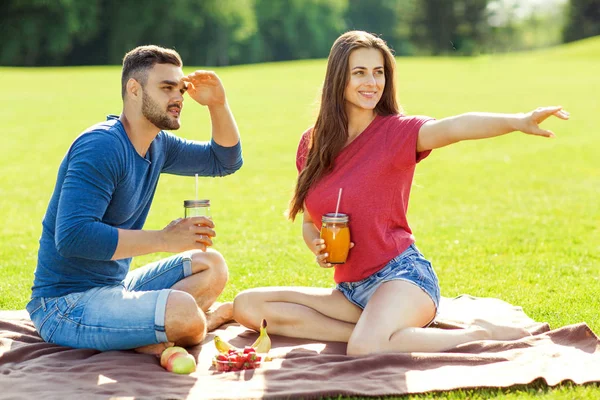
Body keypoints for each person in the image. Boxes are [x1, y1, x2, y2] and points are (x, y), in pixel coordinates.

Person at [233, 31, 569, 355]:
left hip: (402, 278)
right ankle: (379, 332)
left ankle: (477, 335)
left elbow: (454, 127)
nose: (372, 82)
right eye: (360, 72)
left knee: (365, 349)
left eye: (378, 72)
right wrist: (316, 246)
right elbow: (311, 220)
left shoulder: (397, 132)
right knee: (247, 305)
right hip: (350, 292)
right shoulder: (312, 143)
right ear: (338, 79)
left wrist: (517, 120)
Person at [26, 45, 243, 354]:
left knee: (211, 264)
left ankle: (152, 334)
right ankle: (195, 324)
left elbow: (224, 161)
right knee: (182, 311)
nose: (178, 98)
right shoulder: (101, 146)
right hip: (64, 305)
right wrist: (165, 240)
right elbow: (73, 237)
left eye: (180, 89)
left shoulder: (159, 144)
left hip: (115, 288)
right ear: (134, 89)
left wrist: (218, 104)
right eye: (167, 88)